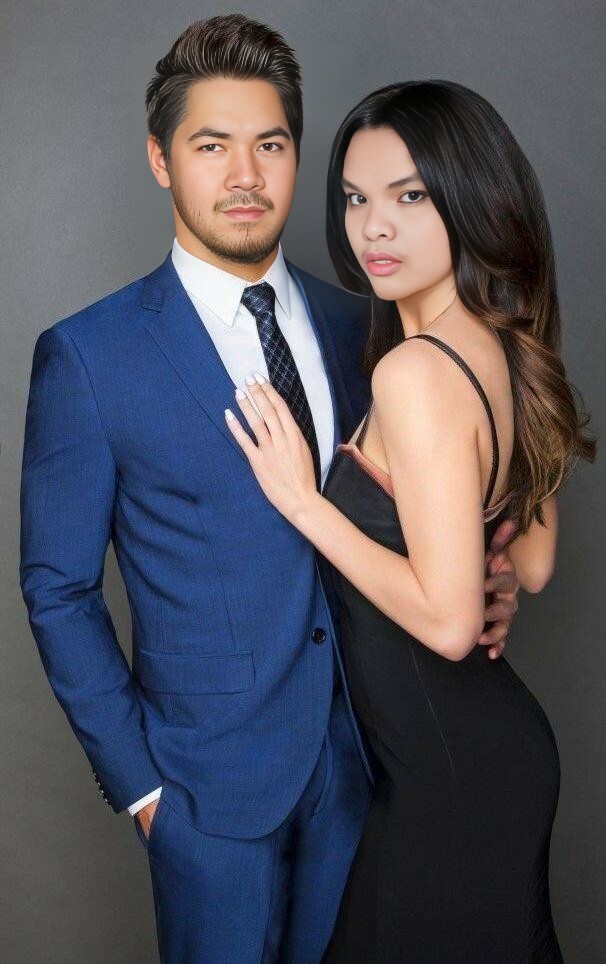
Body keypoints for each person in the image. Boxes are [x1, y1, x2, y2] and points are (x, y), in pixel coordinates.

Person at [18, 15, 521, 962]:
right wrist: (143, 788)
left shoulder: (365, 326)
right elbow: (58, 589)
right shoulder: (89, 357)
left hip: (376, 769)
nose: (246, 175)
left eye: (272, 145)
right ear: (162, 160)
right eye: (213, 146)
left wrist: (488, 576)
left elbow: (429, 501)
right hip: (205, 797)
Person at [226, 80, 595, 962]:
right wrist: (481, 570)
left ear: (470, 198)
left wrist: (305, 504)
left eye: (410, 197)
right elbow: (533, 565)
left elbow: (451, 622)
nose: (374, 229)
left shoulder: (415, 373)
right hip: (477, 759)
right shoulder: (504, 345)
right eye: (356, 200)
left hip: (451, 777)